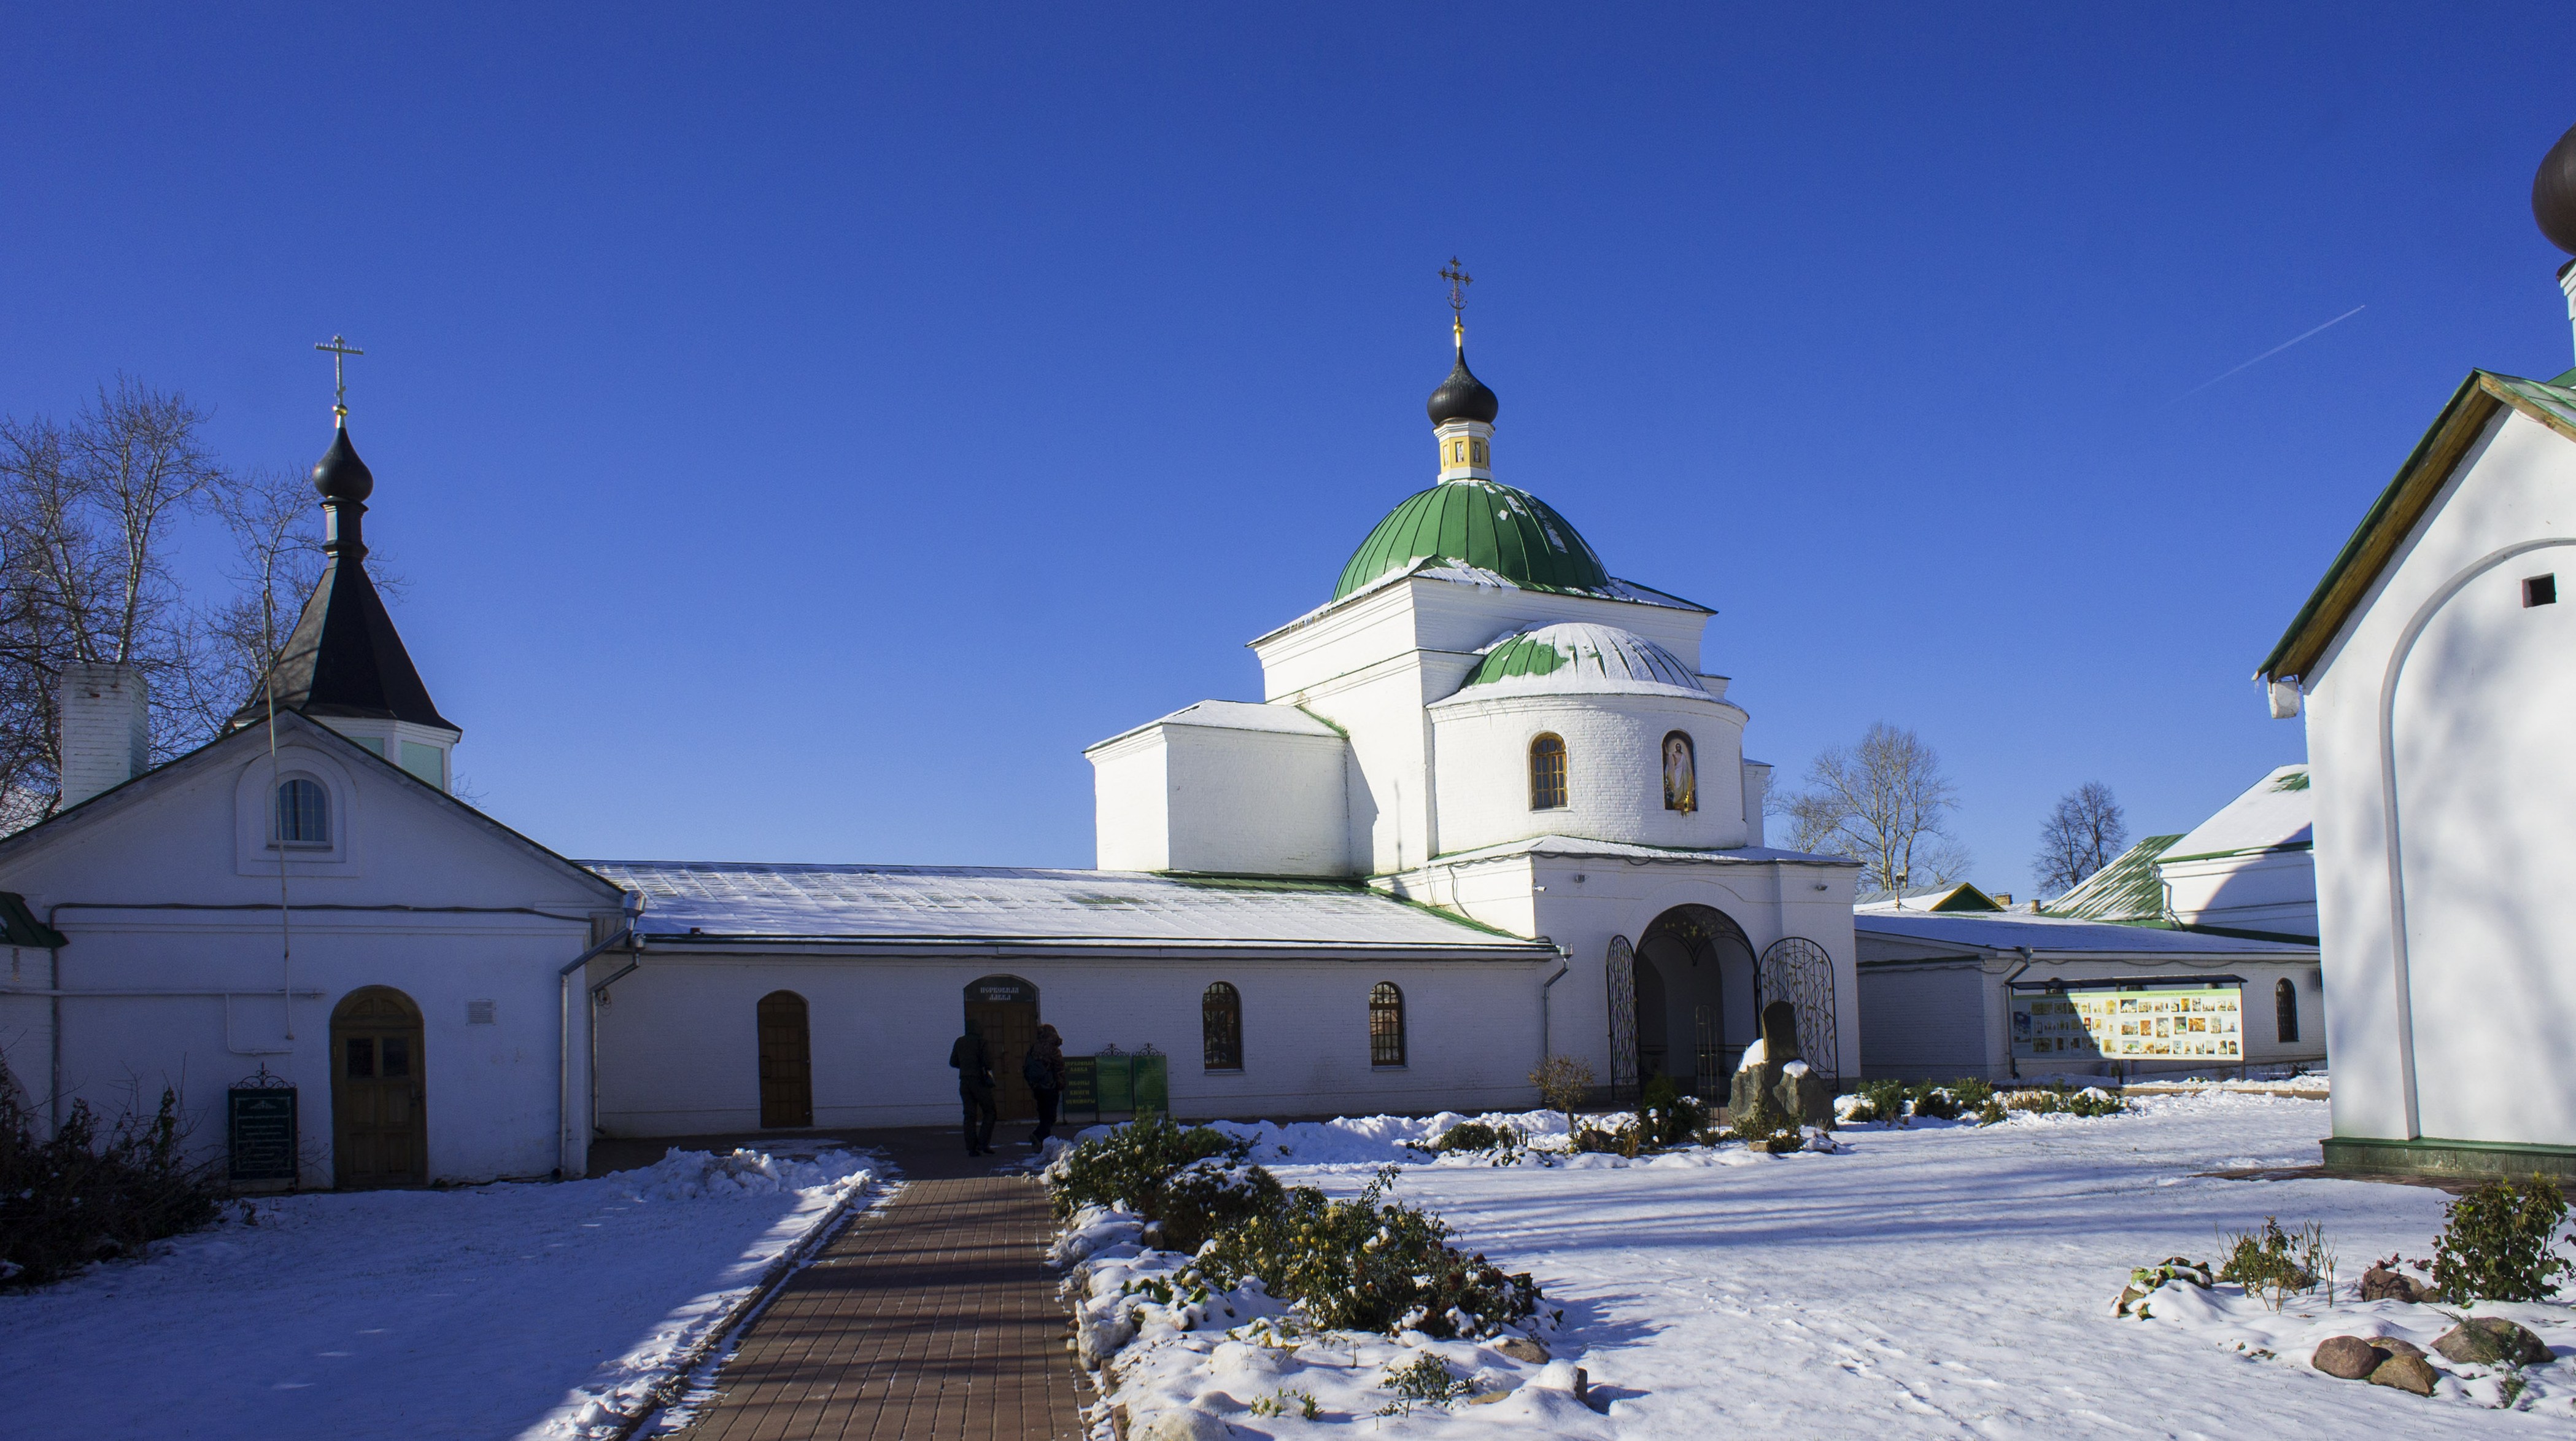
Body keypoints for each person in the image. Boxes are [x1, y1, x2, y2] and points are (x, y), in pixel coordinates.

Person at [949, 1020, 997, 1156]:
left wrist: (965, 1066)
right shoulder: (981, 1042)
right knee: (990, 1111)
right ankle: (983, 1143)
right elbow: (988, 1063)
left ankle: (971, 1148)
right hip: (979, 1081)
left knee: (969, 1115)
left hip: (964, 1081)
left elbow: (953, 1062)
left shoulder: (960, 1042)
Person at [1024, 1023, 1066, 1146]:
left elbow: (1026, 1067)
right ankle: (1038, 1135)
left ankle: (1043, 1142)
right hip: (1050, 1086)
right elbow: (1059, 1069)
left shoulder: (1034, 1048)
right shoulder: (1053, 1049)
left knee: (1043, 1114)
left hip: (1037, 1087)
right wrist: (1061, 1084)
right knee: (1051, 1116)